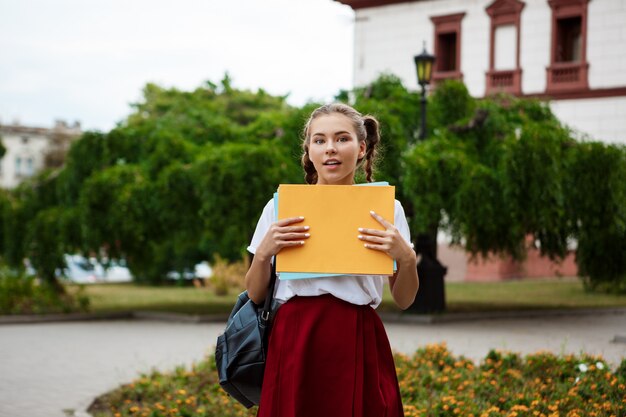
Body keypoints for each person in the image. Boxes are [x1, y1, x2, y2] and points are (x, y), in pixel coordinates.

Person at [245, 103, 419, 417]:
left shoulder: (386, 210)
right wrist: (263, 253)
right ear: (309, 150)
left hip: (357, 332)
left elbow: (404, 299)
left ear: (362, 147)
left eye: (342, 139)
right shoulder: (280, 208)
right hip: (296, 335)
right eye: (320, 140)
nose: (330, 149)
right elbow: (256, 294)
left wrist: (406, 258)